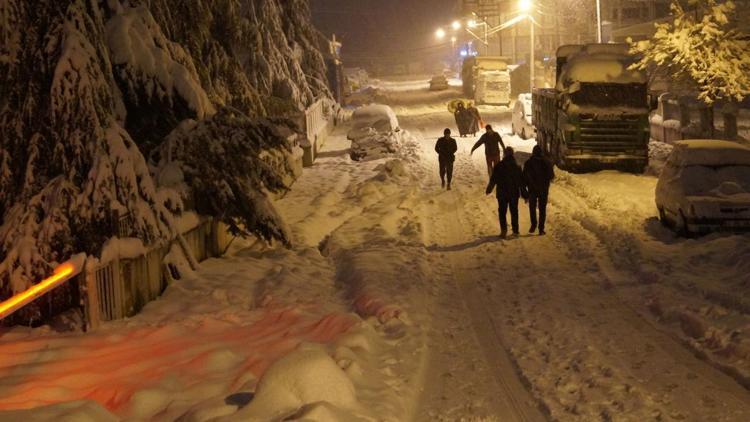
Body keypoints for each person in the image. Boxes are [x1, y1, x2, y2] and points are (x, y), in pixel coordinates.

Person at [486, 147, 528, 238]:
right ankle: (516, 231)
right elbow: (521, 183)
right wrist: (525, 195)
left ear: (504, 154)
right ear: (512, 155)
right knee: (514, 212)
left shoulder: (499, 166)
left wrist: (489, 189)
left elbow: (493, 179)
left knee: (502, 212)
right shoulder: (517, 167)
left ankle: (503, 231)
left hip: (502, 193)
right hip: (513, 193)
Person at [523, 145, 555, 235]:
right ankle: (541, 228)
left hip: (532, 189)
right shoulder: (547, 162)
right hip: (543, 189)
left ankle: (533, 225)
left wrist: (524, 189)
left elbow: (524, 176)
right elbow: (551, 176)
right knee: (542, 209)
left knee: (532, 207)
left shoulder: (528, 163)